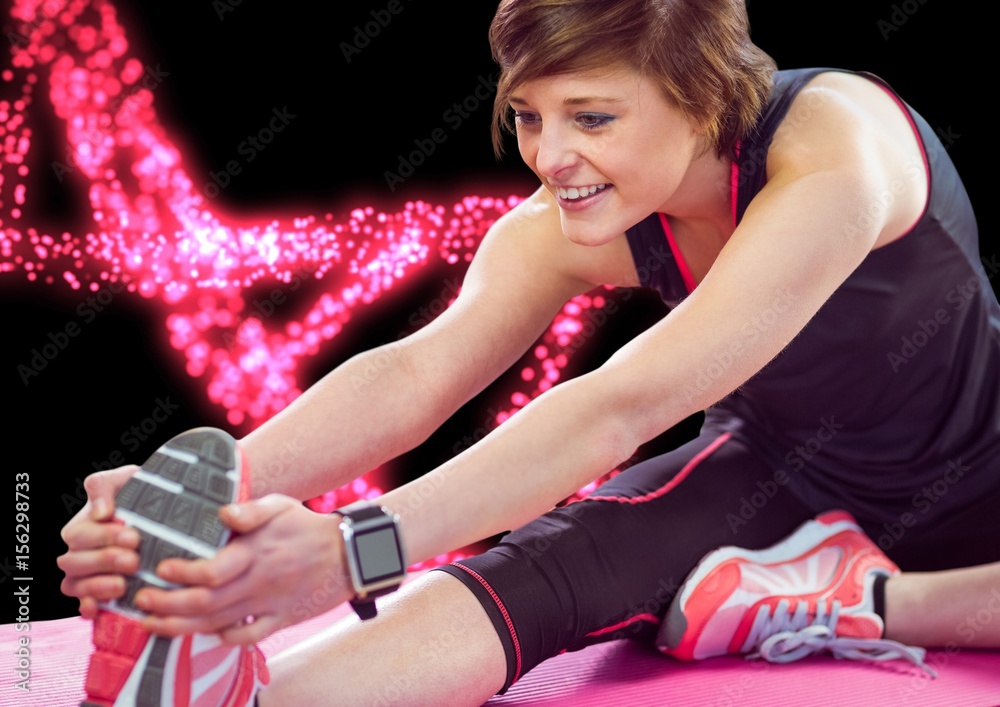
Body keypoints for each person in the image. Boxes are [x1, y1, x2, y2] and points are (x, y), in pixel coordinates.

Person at [58, 0, 1000, 704]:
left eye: (592, 118)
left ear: (704, 93)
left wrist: (355, 549)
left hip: (986, 483)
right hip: (784, 471)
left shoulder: (839, 148)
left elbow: (621, 404)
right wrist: (194, 497)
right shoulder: (577, 215)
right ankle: (247, 697)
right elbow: (421, 371)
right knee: (565, 556)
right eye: (530, 116)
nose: (550, 156)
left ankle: (865, 599)